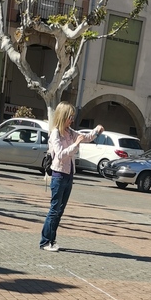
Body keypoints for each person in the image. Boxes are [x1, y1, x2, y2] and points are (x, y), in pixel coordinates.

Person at [40, 103, 103, 252]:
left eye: (73, 117)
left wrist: (97, 131)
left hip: (69, 175)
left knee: (60, 211)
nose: (72, 120)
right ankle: (45, 241)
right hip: (58, 175)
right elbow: (60, 155)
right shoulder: (56, 133)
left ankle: (52, 240)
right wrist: (76, 144)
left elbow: (86, 137)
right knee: (54, 210)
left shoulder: (69, 132)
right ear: (63, 116)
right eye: (70, 117)